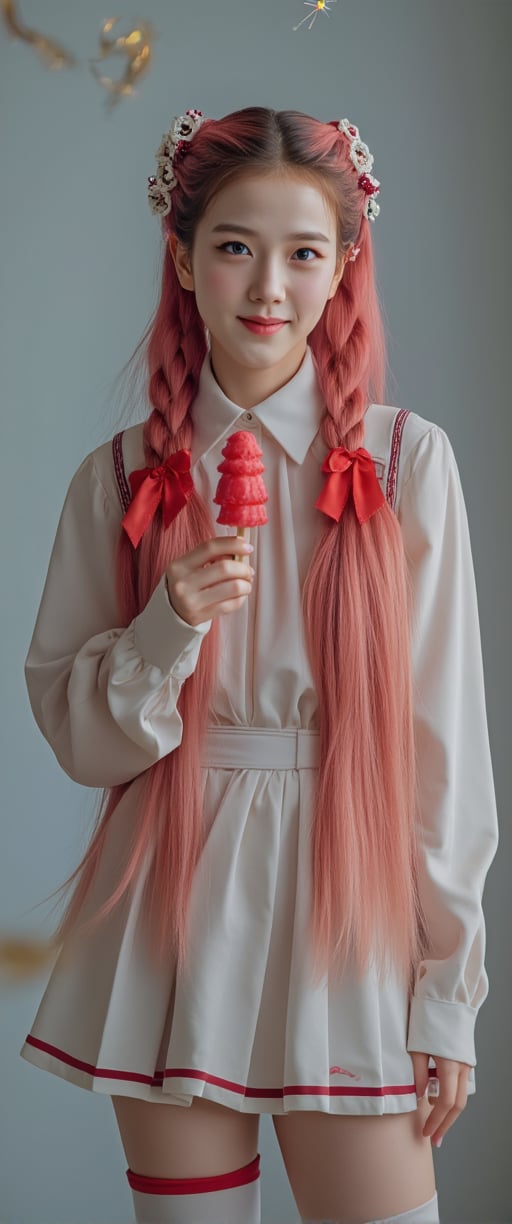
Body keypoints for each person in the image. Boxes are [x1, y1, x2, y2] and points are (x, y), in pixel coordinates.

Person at [19, 106, 499, 1224]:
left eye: (302, 252)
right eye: (234, 246)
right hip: (171, 905)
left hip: (351, 901)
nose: (266, 286)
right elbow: (80, 739)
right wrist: (164, 629)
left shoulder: (404, 461)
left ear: (342, 269)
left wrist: (446, 994)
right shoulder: (119, 478)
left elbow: (444, 751)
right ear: (182, 257)